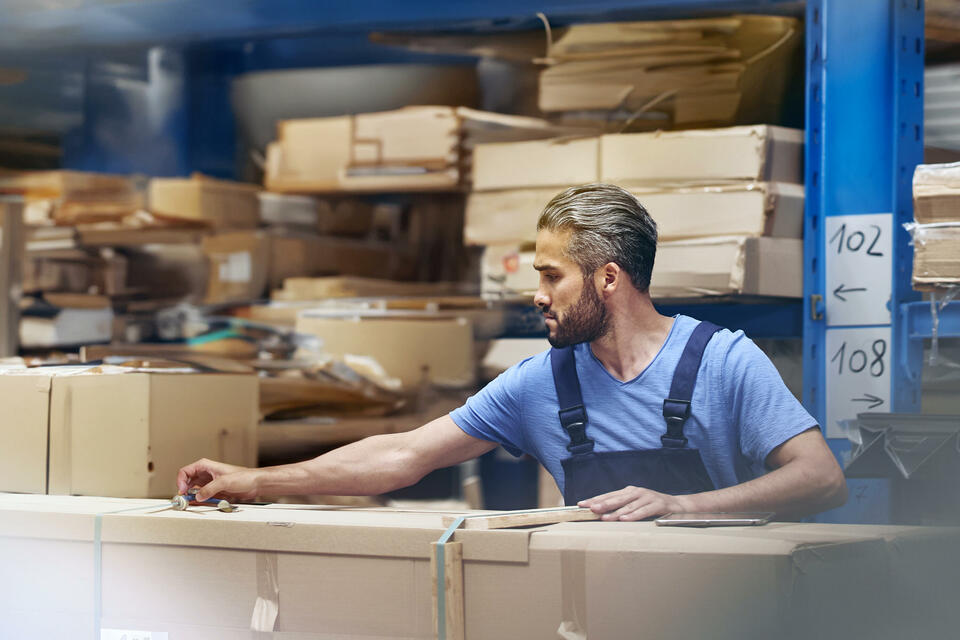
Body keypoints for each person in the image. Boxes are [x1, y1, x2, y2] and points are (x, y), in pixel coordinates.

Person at [178, 183, 847, 521]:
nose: (537, 295)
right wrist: (255, 481)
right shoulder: (539, 385)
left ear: (608, 279)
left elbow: (822, 478)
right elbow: (402, 456)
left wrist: (684, 508)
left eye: (552, 276)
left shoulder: (725, 363)